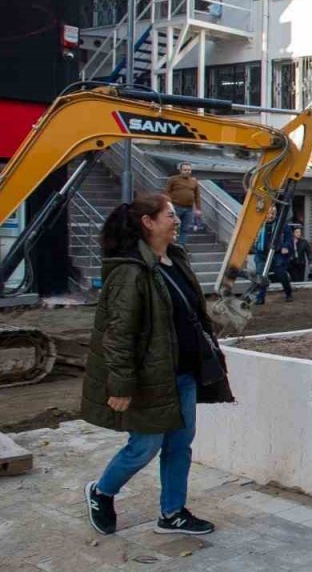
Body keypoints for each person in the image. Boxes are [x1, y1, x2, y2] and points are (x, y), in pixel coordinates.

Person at [82, 193, 233, 537]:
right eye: (168, 214)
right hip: (150, 379)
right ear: (148, 223)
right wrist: (120, 386)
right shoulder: (130, 272)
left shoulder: (176, 259)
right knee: (144, 447)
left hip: (183, 373)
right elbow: (118, 334)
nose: (176, 219)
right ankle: (101, 492)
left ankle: (172, 512)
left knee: (180, 445)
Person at [164, 162, 202, 246]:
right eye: (185, 170)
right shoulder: (173, 179)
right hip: (175, 207)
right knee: (172, 226)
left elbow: (197, 195)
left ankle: (181, 246)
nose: (187, 171)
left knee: (185, 228)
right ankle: (169, 245)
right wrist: (169, 205)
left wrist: (198, 209)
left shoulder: (194, 181)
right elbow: (166, 192)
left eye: (189, 170)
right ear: (180, 170)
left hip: (189, 209)